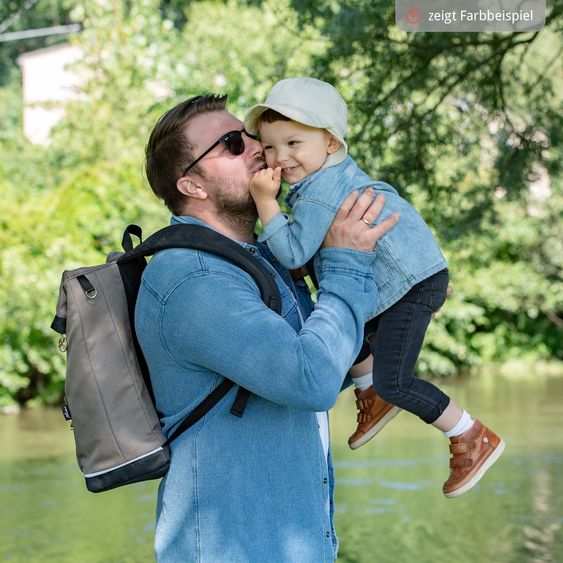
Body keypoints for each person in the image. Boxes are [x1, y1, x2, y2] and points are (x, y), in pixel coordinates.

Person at [136, 93, 399, 562]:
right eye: (233, 143)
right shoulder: (194, 278)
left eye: (251, 134)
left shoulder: (257, 260)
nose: (260, 147)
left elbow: (325, 363)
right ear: (192, 185)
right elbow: (310, 380)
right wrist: (346, 263)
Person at [244, 77, 504, 498]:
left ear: (330, 142)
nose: (281, 157)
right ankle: (372, 392)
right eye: (271, 147)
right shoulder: (327, 179)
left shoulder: (315, 194)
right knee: (339, 328)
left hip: (409, 283)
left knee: (395, 380)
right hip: (406, 279)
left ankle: (471, 434)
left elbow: (292, 254)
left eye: (295, 143)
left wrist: (265, 202)